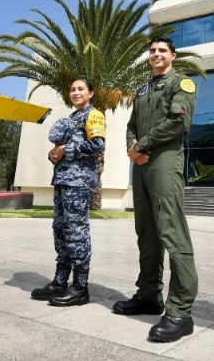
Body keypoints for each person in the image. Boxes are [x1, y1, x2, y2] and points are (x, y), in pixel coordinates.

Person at [115, 36, 198, 343]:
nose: (156, 54)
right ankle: (149, 295)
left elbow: (178, 122)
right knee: (147, 232)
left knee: (171, 232)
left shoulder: (182, 84)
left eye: (162, 50)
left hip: (164, 162)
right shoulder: (143, 89)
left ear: (173, 56)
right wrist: (131, 149)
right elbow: (131, 125)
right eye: (152, 51)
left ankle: (180, 311)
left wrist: (142, 145)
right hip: (141, 165)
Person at [30, 78, 106, 307]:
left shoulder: (94, 115)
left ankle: (80, 287)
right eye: (72, 89)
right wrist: (54, 154)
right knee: (60, 229)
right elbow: (61, 148)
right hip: (63, 180)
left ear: (91, 93)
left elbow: (97, 145)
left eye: (81, 89)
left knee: (76, 231)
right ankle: (60, 280)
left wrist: (65, 149)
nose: (75, 92)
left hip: (79, 183)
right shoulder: (71, 118)